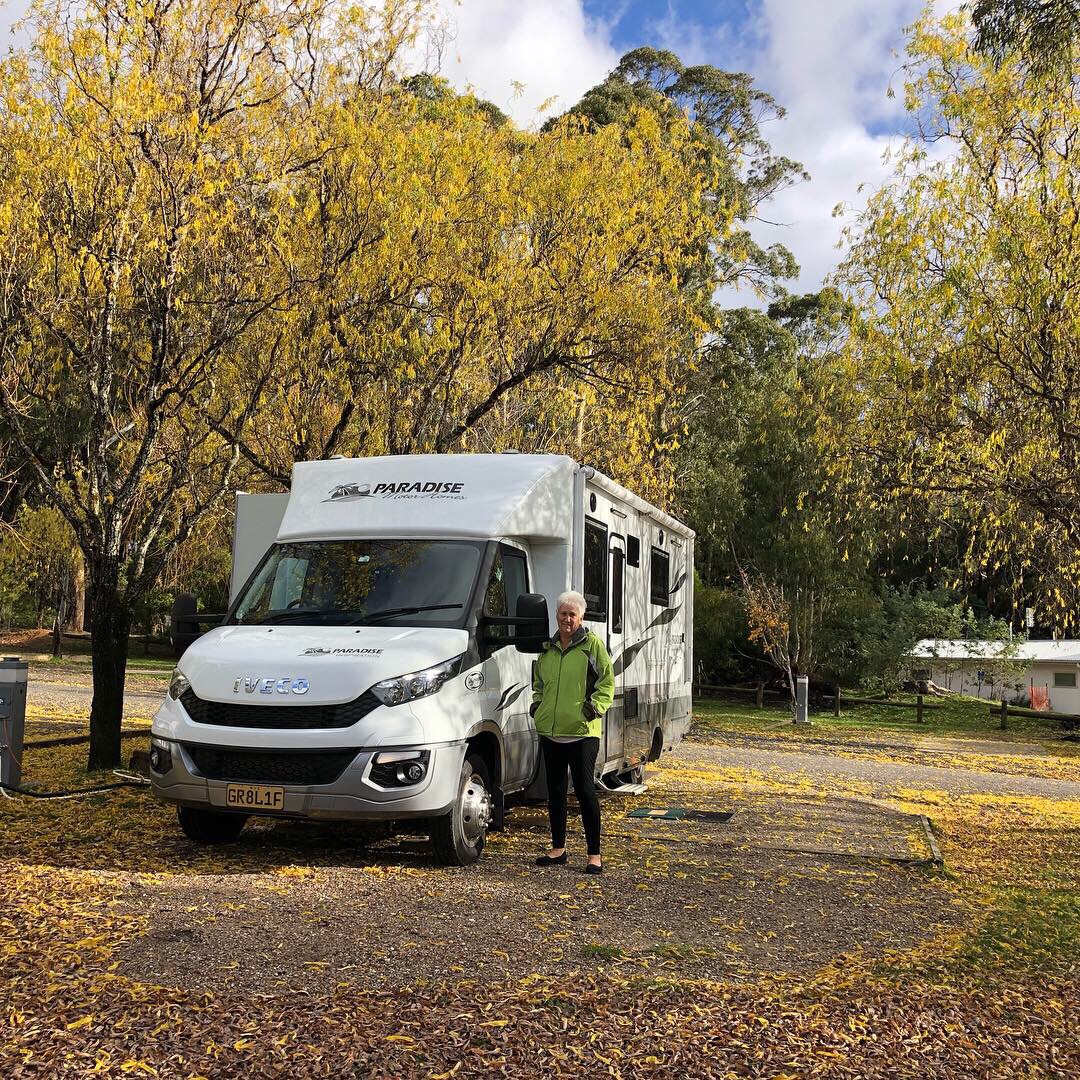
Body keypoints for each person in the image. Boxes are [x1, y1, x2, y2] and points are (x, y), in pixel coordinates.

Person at [529, 590, 614, 874]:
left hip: (582, 732)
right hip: (551, 731)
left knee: (585, 791)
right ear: (557, 615)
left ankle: (594, 854)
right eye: (563, 614)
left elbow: (607, 682)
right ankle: (558, 849)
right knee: (554, 792)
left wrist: (595, 708)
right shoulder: (548, 648)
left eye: (572, 614)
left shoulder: (592, 646)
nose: (567, 619)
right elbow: (539, 681)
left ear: (582, 617)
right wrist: (537, 704)